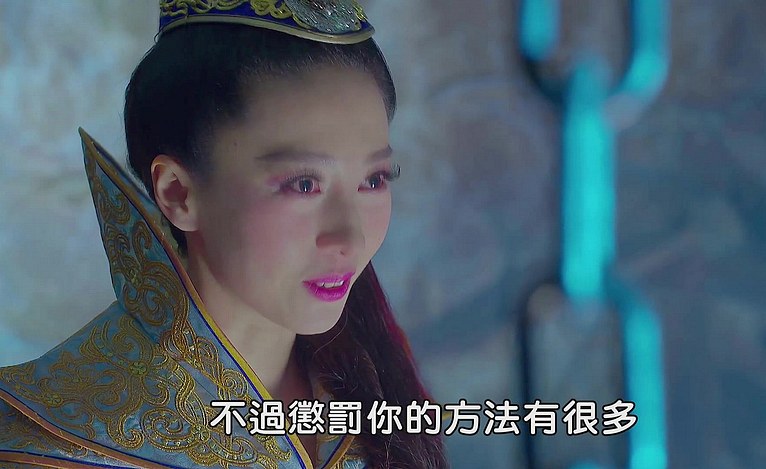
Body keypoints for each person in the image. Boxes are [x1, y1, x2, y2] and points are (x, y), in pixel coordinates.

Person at [0, 1, 448, 467]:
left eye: (374, 180)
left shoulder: (369, 394)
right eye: (303, 184)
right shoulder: (51, 446)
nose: (350, 238)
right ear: (179, 193)